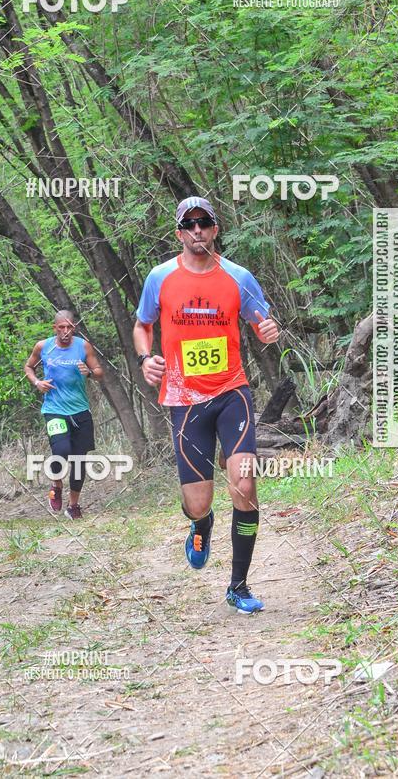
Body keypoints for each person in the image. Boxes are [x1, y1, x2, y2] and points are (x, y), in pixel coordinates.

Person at [133, 196, 279, 613]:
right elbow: (143, 325)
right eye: (189, 224)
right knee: (198, 500)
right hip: (184, 399)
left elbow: (264, 322)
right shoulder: (159, 278)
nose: (197, 230)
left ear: (215, 230)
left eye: (205, 223)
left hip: (233, 392)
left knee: (245, 485)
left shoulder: (239, 277)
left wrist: (269, 330)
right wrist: (146, 359)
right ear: (179, 233)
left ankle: (239, 586)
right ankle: (202, 523)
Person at [24, 310, 104, 519]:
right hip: (54, 410)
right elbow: (28, 366)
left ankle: (73, 505)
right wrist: (37, 382)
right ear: (55, 328)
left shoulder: (83, 346)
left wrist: (90, 373)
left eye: (69, 327)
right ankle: (56, 484)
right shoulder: (43, 346)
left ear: (74, 327)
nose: (66, 331)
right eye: (62, 327)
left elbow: (99, 372)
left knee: (79, 460)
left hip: (80, 410)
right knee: (61, 450)